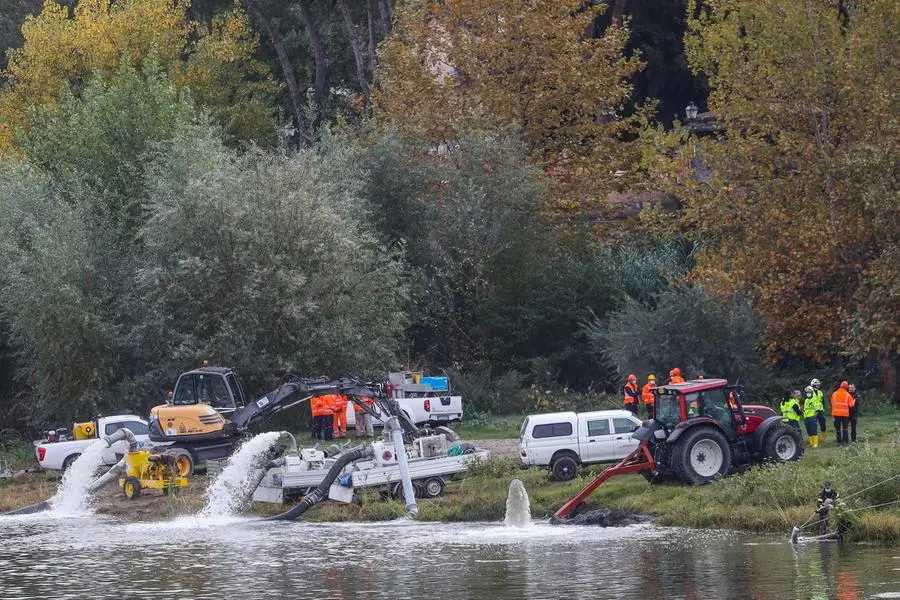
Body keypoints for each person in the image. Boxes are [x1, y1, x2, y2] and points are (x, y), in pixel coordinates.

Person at [831, 381, 855, 445]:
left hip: (836, 413)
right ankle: (845, 442)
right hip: (845, 414)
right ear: (847, 388)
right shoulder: (848, 395)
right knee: (845, 428)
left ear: (840, 386)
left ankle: (838, 442)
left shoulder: (834, 394)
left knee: (838, 429)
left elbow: (832, 403)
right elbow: (851, 405)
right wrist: (854, 400)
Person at [810, 378, 827, 446]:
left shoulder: (820, 392)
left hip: (820, 411)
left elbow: (822, 402)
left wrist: (823, 409)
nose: (818, 386)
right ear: (813, 385)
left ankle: (824, 439)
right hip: (813, 411)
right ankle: (813, 441)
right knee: (813, 426)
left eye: (818, 385)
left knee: (823, 425)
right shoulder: (810, 392)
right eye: (817, 385)